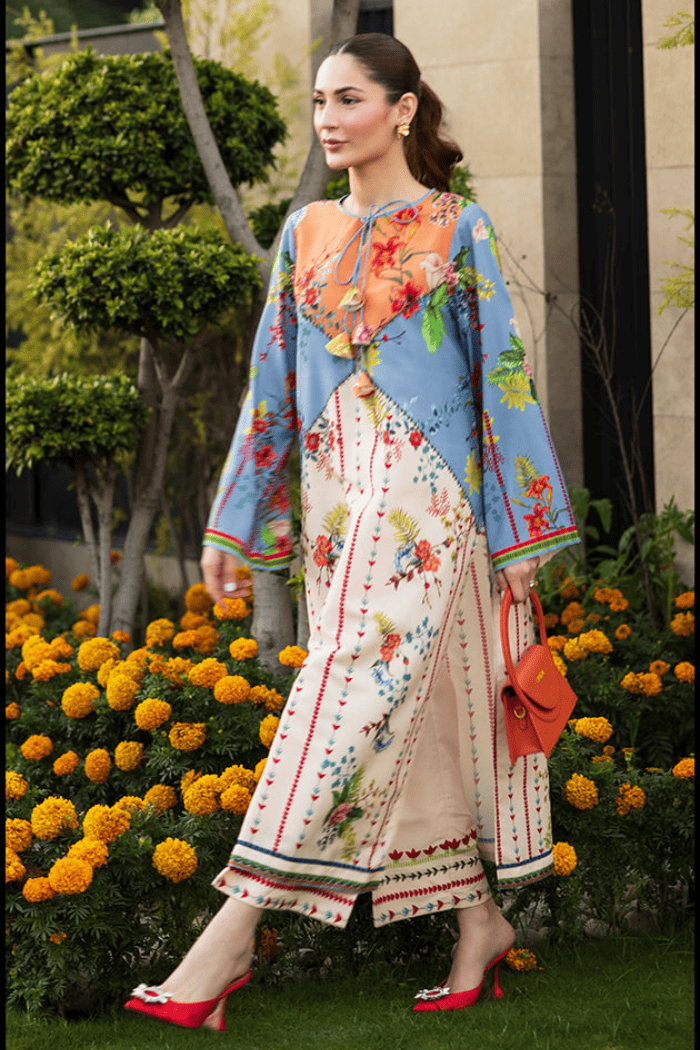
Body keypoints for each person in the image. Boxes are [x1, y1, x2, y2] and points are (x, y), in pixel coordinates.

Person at [125, 33, 579, 1029]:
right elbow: (271, 392)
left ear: (402, 108)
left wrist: (519, 538)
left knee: (343, 691)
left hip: (427, 499)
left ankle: (226, 944)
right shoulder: (304, 234)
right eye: (319, 100)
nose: (327, 117)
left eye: (348, 97)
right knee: (402, 711)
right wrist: (235, 524)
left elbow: (503, 386)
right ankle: (477, 923)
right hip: (339, 501)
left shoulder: (460, 229)